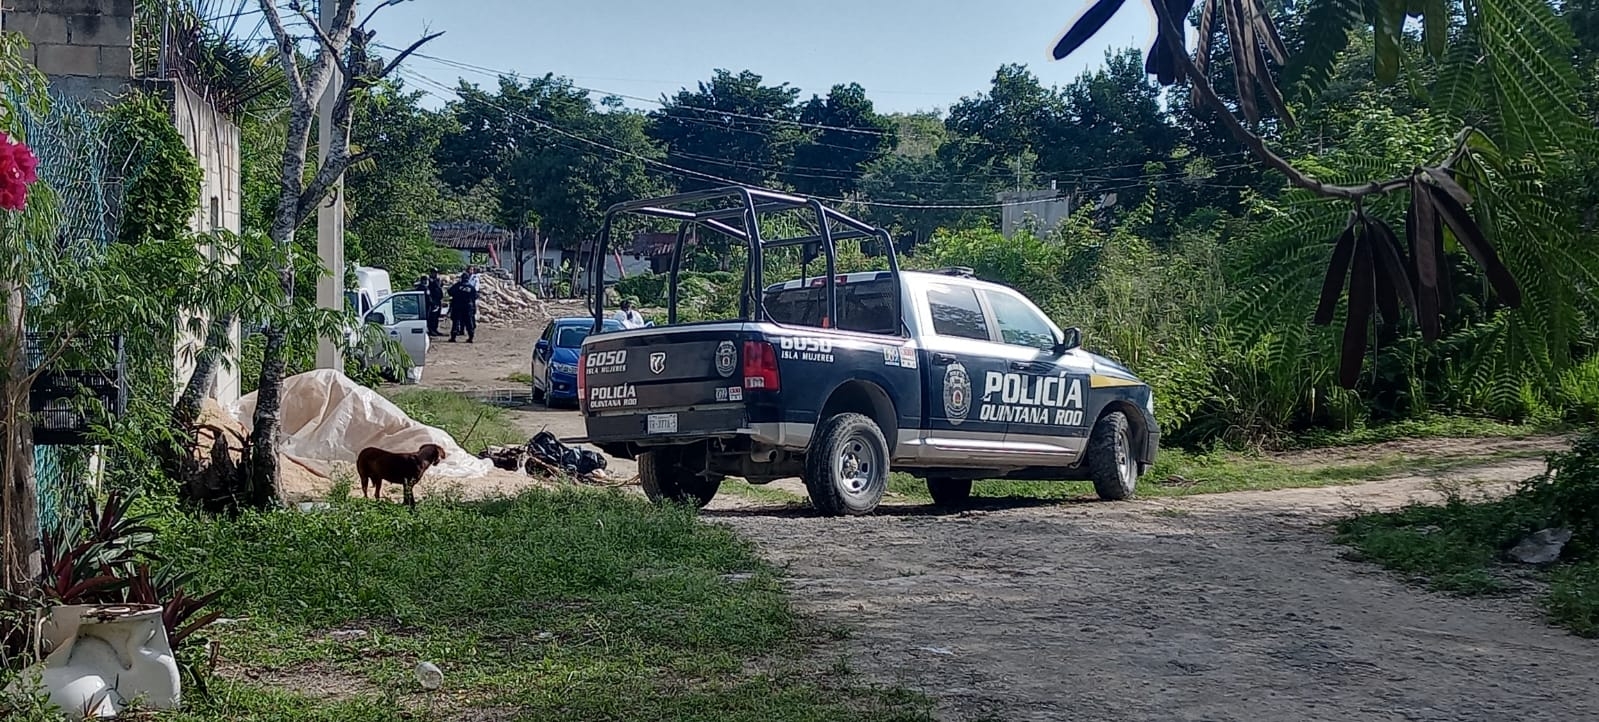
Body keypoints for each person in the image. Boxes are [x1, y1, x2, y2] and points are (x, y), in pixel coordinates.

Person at [448, 272, 479, 343]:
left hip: (457, 306)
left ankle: (453, 337)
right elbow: (475, 297)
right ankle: (471, 337)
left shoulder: (457, 286)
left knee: (456, 322)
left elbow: (450, 291)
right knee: (469, 322)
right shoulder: (471, 287)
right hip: (468, 307)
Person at [424, 268, 445, 336]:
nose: (435, 274)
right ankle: (431, 330)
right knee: (432, 317)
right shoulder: (429, 280)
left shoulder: (437, 280)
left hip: (438, 300)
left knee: (436, 316)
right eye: (434, 272)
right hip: (432, 301)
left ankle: (435, 329)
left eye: (436, 272)